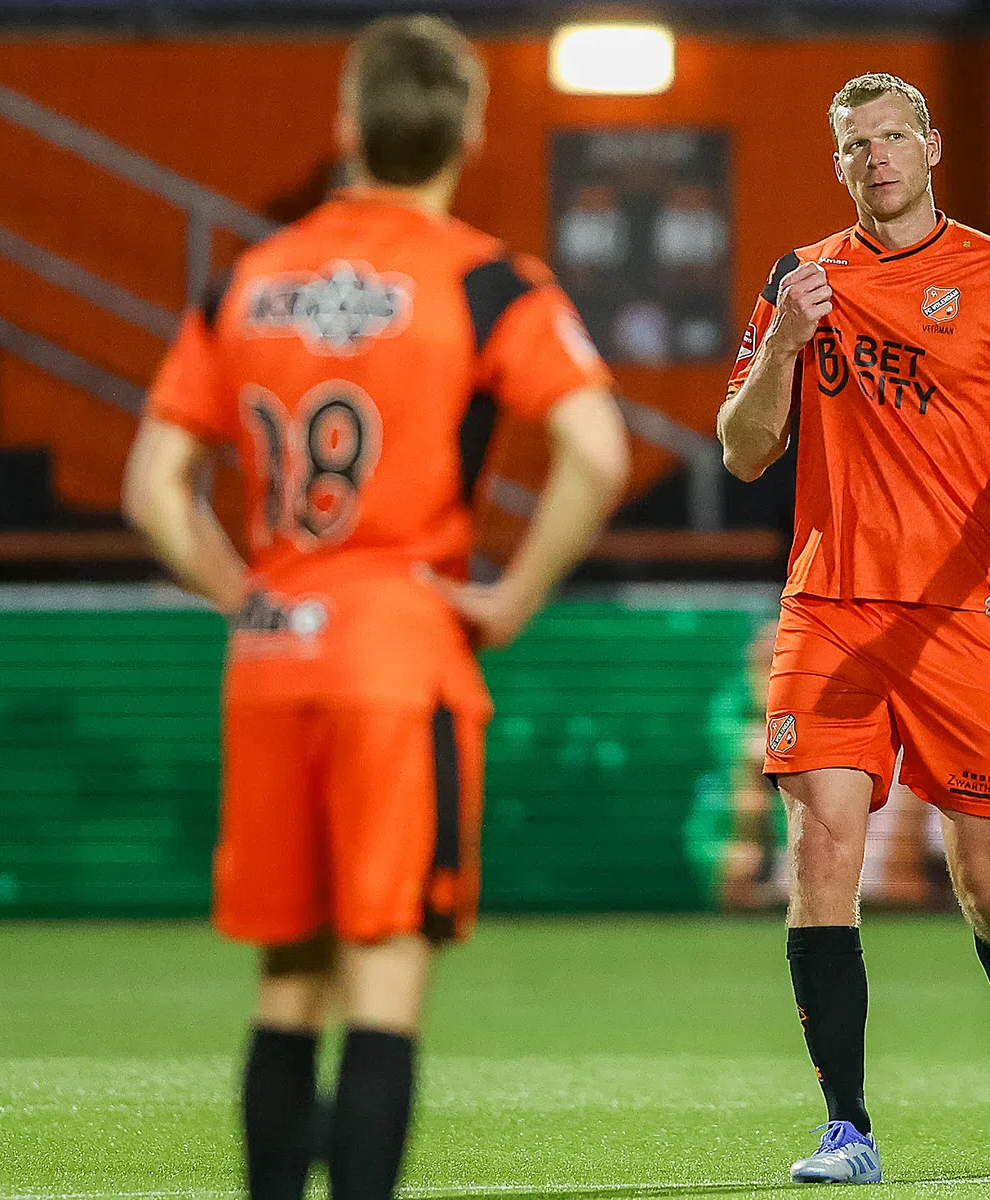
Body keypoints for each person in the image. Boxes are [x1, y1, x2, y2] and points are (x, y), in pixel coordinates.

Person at [121, 16, 629, 1200]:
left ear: (344, 125)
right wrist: (510, 597)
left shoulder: (246, 277)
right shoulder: (489, 280)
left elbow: (152, 488)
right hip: (400, 655)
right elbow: (596, 454)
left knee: (288, 984)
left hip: (273, 657)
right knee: (385, 976)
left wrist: (249, 595)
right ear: (474, 131)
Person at [718, 72, 990, 1182]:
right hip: (831, 609)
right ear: (837, 164)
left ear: (928, 145)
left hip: (967, 617)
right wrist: (783, 345)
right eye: (853, 143)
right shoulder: (800, 280)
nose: (876, 156)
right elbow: (741, 447)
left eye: (892, 136)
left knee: (989, 885)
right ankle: (847, 1127)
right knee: (824, 849)